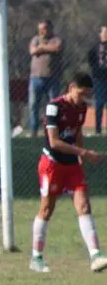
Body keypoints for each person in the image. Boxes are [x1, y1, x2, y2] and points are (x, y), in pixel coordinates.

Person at [30, 72, 107, 274]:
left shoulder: (81, 107)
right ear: (71, 87)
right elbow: (54, 142)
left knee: (84, 205)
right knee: (47, 209)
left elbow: (77, 130)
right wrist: (85, 152)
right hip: (52, 164)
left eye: (87, 95)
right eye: (81, 93)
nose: (83, 99)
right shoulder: (54, 106)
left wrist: (81, 156)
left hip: (72, 165)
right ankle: (36, 257)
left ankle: (95, 255)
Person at [28, 20, 64, 137]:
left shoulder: (57, 39)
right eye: (40, 29)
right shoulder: (35, 39)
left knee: (53, 105)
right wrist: (45, 48)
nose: (41, 31)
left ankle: (53, 130)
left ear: (50, 28)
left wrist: (42, 47)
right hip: (36, 78)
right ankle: (33, 131)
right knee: (33, 104)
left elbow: (57, 48)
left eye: (44, 28)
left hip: (52, 78)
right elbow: (33, 51)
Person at [87, 25, 107, 135]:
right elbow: (90, 59)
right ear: (100, 35)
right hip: (99, 79)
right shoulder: (95, 47)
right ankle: (98, 129)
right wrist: (96, 71)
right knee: (99, 104)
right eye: (105, 32)